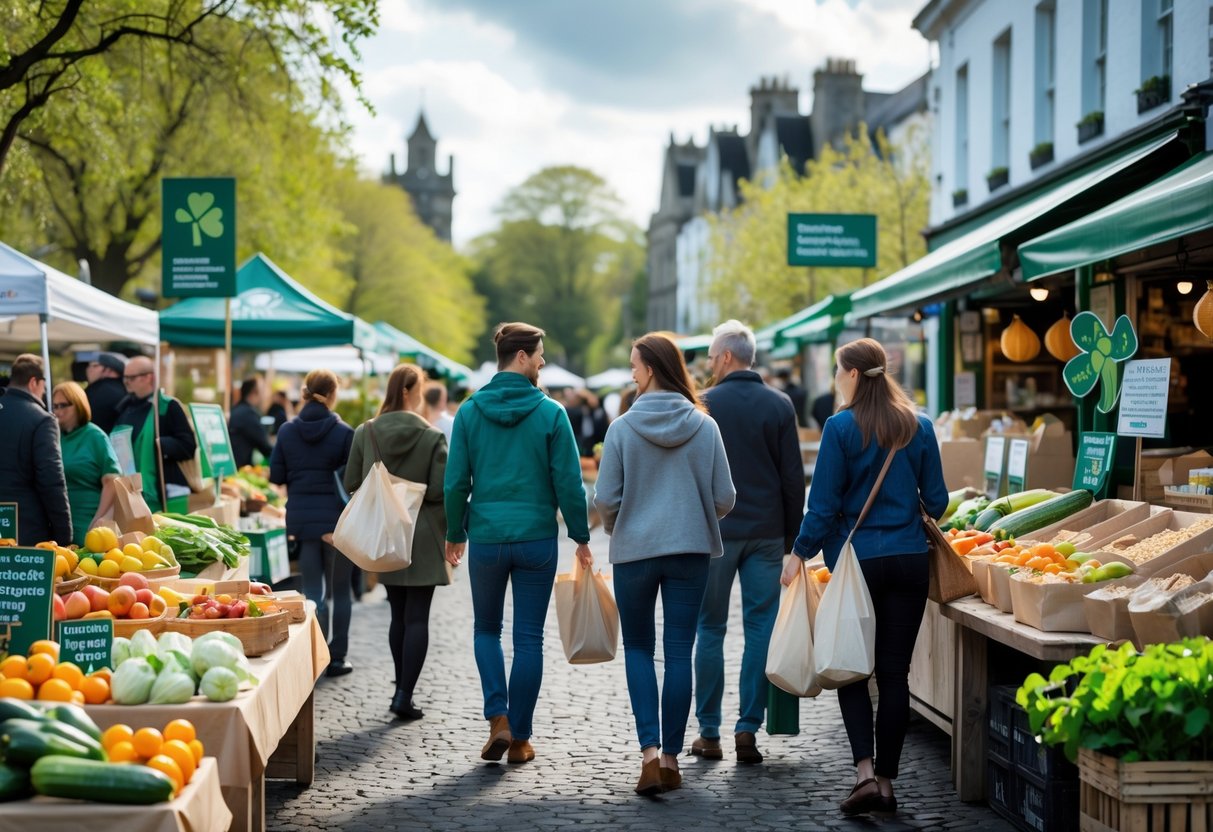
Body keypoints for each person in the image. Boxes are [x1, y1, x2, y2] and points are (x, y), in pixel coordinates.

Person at [784, 338, 948, 816]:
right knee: (896, 674)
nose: (836, 378)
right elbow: (937, 501)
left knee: (851, 667)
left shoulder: (839, 428)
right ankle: (888, 784)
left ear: (853, 375)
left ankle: (862, 776)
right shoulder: (919, 425)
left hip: (856, 565)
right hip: (911, 560)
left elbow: (824, 506)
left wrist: (799, 552)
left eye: (838, 370)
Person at [444, 322, 592, 765]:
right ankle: (522, 739)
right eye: (540, 354)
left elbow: (455, 483)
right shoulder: (551, 413)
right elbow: (569, 482)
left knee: (486, 630)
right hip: (536, 539)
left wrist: (455, 531)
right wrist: (581, 536)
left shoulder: (469, 412)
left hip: (487, 536)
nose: (543, 361)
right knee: (528, 638)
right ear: (522, 356)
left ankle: (498, 719)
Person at [593, 333, 736, 796]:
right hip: (689, 550)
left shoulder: (621, 428)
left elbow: (606, 499)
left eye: (634, 364)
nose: (631, 372)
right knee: (679, 652)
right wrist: (693, 517)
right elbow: (725, 497)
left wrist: (626, 524)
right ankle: (673, 757)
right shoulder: (704, 426)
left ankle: (650, 755)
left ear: (650, 368)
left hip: (634, 552)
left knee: (637, 648)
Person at [692, 320, 804, 764]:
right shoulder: (779, 405)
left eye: (710, 356)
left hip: (714, 533)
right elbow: (792, 479)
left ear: (724, 357)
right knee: (761, 628)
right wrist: (794, 540)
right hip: (766, 534)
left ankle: (708, 731)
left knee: (709, 628)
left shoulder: (703, 404)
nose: (708, 364)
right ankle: (747, 728)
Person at [345, 364, 449, 720]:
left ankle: (398, 688)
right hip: (421, 535)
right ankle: (405, 694)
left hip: (384, 534)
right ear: (409, 391)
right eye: (419, 388)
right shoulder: (433, 436)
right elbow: (439, 490)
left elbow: (352, 483)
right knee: (418, 617)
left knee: (398, 615)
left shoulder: (366, 431)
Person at [269, 369, 355, 677]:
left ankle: (315, 654)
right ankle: (338, 656)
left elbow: (276, 476)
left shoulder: (287, 431)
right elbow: (355, 479)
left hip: (302, 518)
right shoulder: (345, 432)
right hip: (337, 521)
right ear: (333, 394)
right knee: (341, 591)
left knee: (314, 592)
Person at [0, 355, 72, 545]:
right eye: (44, 387)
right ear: (34, 382)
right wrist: (64, 536)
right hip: (27, 530)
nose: (43, 393)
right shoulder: (41, 420)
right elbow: (51, 480)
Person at [112, 356, 196, 513]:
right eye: (125, 377)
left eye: (131, 377)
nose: (126, 381)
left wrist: (158, 444)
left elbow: (188, 445)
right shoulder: (125, 407)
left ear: (149, 377)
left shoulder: (167, 406)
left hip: (164, 493)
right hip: (131, 492)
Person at [52, 381, 120, 547]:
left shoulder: (95, 436)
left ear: (78, 404)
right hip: (58, 523)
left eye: (64, 405)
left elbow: (112, 481)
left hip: (88, 521)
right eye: (55, 406)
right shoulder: (53, 436)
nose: (58, 411)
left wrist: (98, 519)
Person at [228, 378, 274, 468]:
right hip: (239, 470)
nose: (265, 395)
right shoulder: (248, 414)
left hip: (234, 466)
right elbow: (265, 446)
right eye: (263, 390)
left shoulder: (237, 409)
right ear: (254, 392)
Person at [84, 352, 127, 433]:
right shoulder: (125, 390)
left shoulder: (97, 392)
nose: (89, 369)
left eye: (95, 366)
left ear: (109, 370)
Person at [563, 389, 608, 458]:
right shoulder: (572, 412)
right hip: (578, 448)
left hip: (592, 447)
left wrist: (588, 397)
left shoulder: (596, 413)